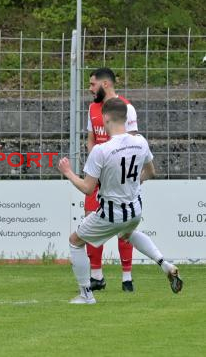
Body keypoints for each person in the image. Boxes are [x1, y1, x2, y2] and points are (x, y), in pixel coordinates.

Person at [58, 98, 183, 304]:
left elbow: (88, 188)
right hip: (135, 210)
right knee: (128, 233)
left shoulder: (101, 150)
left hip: (110, 212)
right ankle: (165, 264)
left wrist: (68, 172)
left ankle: (86, 295)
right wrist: (133, 182)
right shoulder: (140, 142)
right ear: (126, 119)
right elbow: (151, 172)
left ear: (106, 118)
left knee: (75, 242)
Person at [86, 67, 139, 292]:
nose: (90, 89)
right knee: (90, 221)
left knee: (124, 226)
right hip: (98, 175)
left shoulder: (126, 108)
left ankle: (127, 277)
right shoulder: (92, 108)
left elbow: (133, 143)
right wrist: (94, 169)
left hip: (119, 178)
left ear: (105, 84)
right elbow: (91, 140)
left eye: (92, 84)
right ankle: (96, 276)